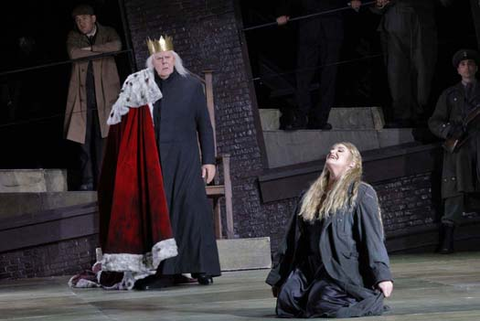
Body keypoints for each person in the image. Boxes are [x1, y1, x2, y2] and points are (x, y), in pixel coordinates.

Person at [108, 35, 221, 286]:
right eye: (159, 59)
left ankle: (203, 269)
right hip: (157, 162)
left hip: (188, 159)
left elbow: (205, 125)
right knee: (165, 214)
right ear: (153, 63)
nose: (164, 63)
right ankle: (166, 271)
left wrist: (209, 161)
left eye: (167, 58)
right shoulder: (145, 88)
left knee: (193, 211)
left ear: (175, 59)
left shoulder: (191, 86)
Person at [266, 142, 393, 318]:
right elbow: (293, 237)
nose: (333, 152)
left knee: (323, 301)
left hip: (341, 267)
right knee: (287, 300)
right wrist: (279, 278)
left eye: (340, 150)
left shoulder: (361, 192)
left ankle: (365, 300)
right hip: (312, 266)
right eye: (331, 150)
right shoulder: (309, 195)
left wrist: (382, 276)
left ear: (352, 163)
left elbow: (372, 237)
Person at [276, 1, 362, 130]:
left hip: (332, 26)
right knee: (303, 75)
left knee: (329, 76)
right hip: (308, 27)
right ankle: (300, 117)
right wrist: (282, 13)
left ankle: (321, 119)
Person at [428, 49, 480, 254]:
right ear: (458, 69)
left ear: (476, 67)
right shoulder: (449, 95)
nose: (467, 67)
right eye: (463, 64)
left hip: (478, 145)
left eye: (470, 63)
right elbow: (434, 121)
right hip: (459, 149)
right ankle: (447, 241)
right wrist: (449, 130)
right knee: (454, 195)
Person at [65, 4, 121, 190]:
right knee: (83, 139)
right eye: (78, 20)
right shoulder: (74, 37)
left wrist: (89, 51)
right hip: (83, 95)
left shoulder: (108, 32)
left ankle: (103, 179)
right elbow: (73, 53)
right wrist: (99, 50)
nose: (81, 23)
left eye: (84, 19)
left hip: (105, 94)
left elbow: (116, 46)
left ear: (94, 18)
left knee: (103, 137)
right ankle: (88, 181)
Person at [371, 0, 450, 128]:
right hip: (394, 21)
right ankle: (402, 114)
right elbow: (375, 6)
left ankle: (421, 113)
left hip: (421, 19)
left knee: (422, 69)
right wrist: (378, 4)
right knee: (396, 71)